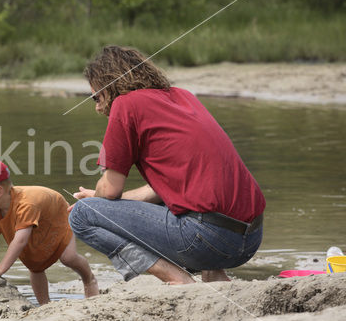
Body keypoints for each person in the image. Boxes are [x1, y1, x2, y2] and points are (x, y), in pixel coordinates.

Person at [69, 46, 265, 285]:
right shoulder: (183, 96)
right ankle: (214, 274)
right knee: (178, 197)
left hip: (209, 240)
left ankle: (176, 279)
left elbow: (110, 189)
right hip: (250, 239)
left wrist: (96, 201)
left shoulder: (126, 105)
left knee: (81, 215)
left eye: (96, 98)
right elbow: (160, 190)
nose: (97, 108)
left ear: (109, 86)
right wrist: (105, 202)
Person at [0, 157, 99, 304]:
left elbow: (20, 240)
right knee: (34, 265)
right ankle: (45, 305)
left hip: (56, 215)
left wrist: (1, 269)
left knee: (68, 257)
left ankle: (89, 279)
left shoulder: (26, 204)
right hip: (33, 223)